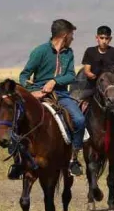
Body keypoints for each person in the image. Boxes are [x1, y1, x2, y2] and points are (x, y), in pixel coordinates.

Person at [14, 19, 84, 179]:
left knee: (79, 120)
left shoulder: (69, 53)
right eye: (72, 35)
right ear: (65, 35)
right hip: (38, 93)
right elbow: (24, 75)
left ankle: (73, 159)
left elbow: (71, 75)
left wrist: (54, 81)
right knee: (17, 119)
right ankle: (18, 161)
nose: (73, 38)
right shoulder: (40, 51)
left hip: (61, 95)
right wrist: (32, 91)